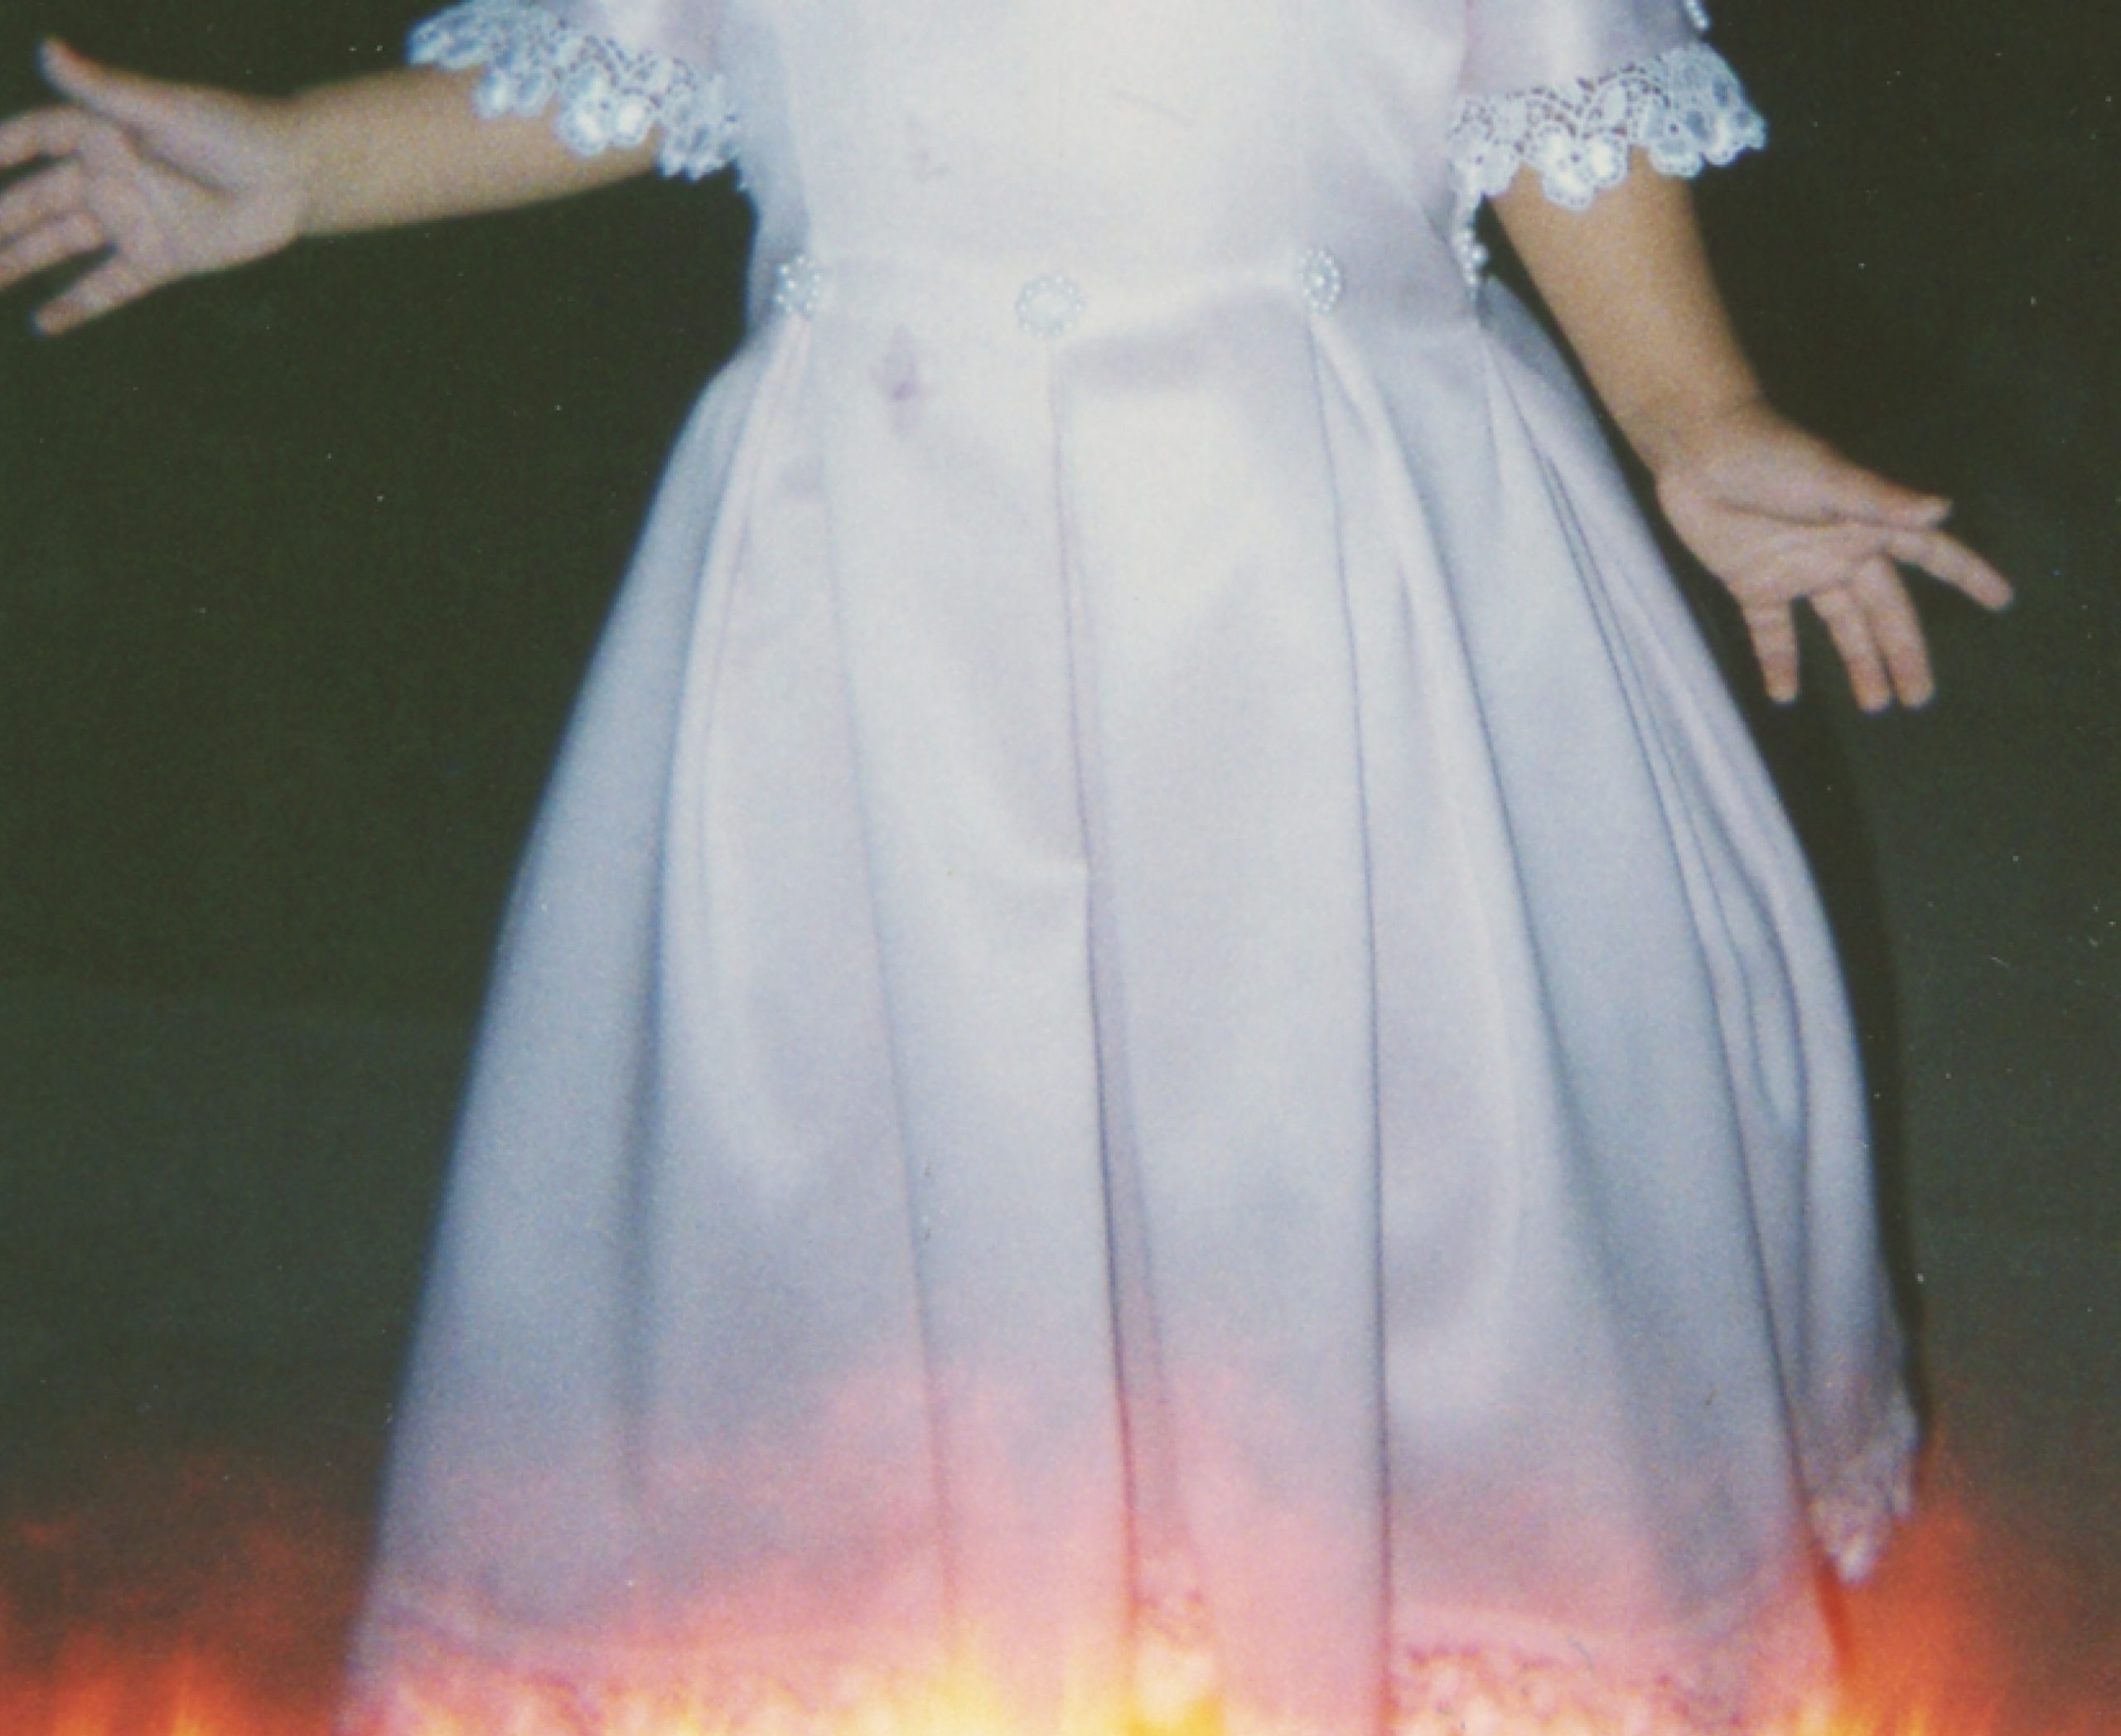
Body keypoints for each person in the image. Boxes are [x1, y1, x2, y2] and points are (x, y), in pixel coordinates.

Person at [0, 2, 2013, 1731]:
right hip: (885, 600)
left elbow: (1546, 94)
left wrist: (1692, 407)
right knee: (898, 1166)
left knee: (1376, 1141)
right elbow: (626, 64)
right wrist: (301, 165)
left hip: (1326, 580)